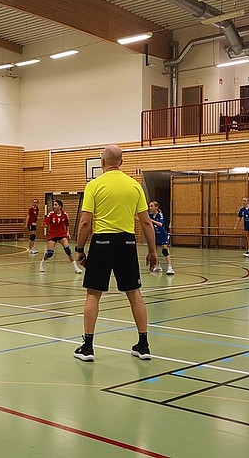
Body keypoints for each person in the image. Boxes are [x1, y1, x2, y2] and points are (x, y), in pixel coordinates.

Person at [71, 144, 158, 362]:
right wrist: (152, 251)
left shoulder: (94, 185)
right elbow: (146, 222)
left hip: (102, 242)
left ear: (102, 162)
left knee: (93, 294)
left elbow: (85, 222)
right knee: (135, 294)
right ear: (121, 162)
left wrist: (80, 249)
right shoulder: (134, 186)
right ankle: (143, 345)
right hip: (127, 243)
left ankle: (88, 347)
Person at [38, 199, 82, 274]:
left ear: (60, 206)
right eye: (53, 205)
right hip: (52, 235)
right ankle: (42, 263)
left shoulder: (64, 214)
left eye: (56, 205)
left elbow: (67, 225)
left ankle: (76, 267)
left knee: (67, 250)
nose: (54, 206)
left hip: (62, 234)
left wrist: (67, 232)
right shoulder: (51, 214)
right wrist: (44, 225)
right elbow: (45, 223)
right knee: (50, 253)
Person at [146, 201, 174, 275]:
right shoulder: (150, 215)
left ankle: (170, 267)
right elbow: (145, 220)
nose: (150, 208)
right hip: (155, 235)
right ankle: (158, 265)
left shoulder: (159, 215)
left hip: (162, 234)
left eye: (152, 206)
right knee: (154, 251)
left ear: (156, 207)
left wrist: (151, 220)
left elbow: (161, 224)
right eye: (149, 206)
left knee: (164, 250)